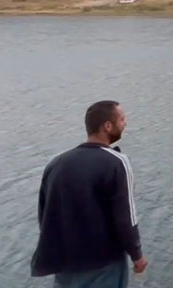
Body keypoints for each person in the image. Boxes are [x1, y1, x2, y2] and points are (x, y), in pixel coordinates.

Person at [31, 101, 147, 287]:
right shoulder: (116, 162)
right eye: (122, 119)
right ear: (107, 126)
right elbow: (125, 217)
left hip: (64, 264)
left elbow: (44, 216)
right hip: (102, 264)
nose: (125, 124)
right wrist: (137, 255)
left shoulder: (56, 164)